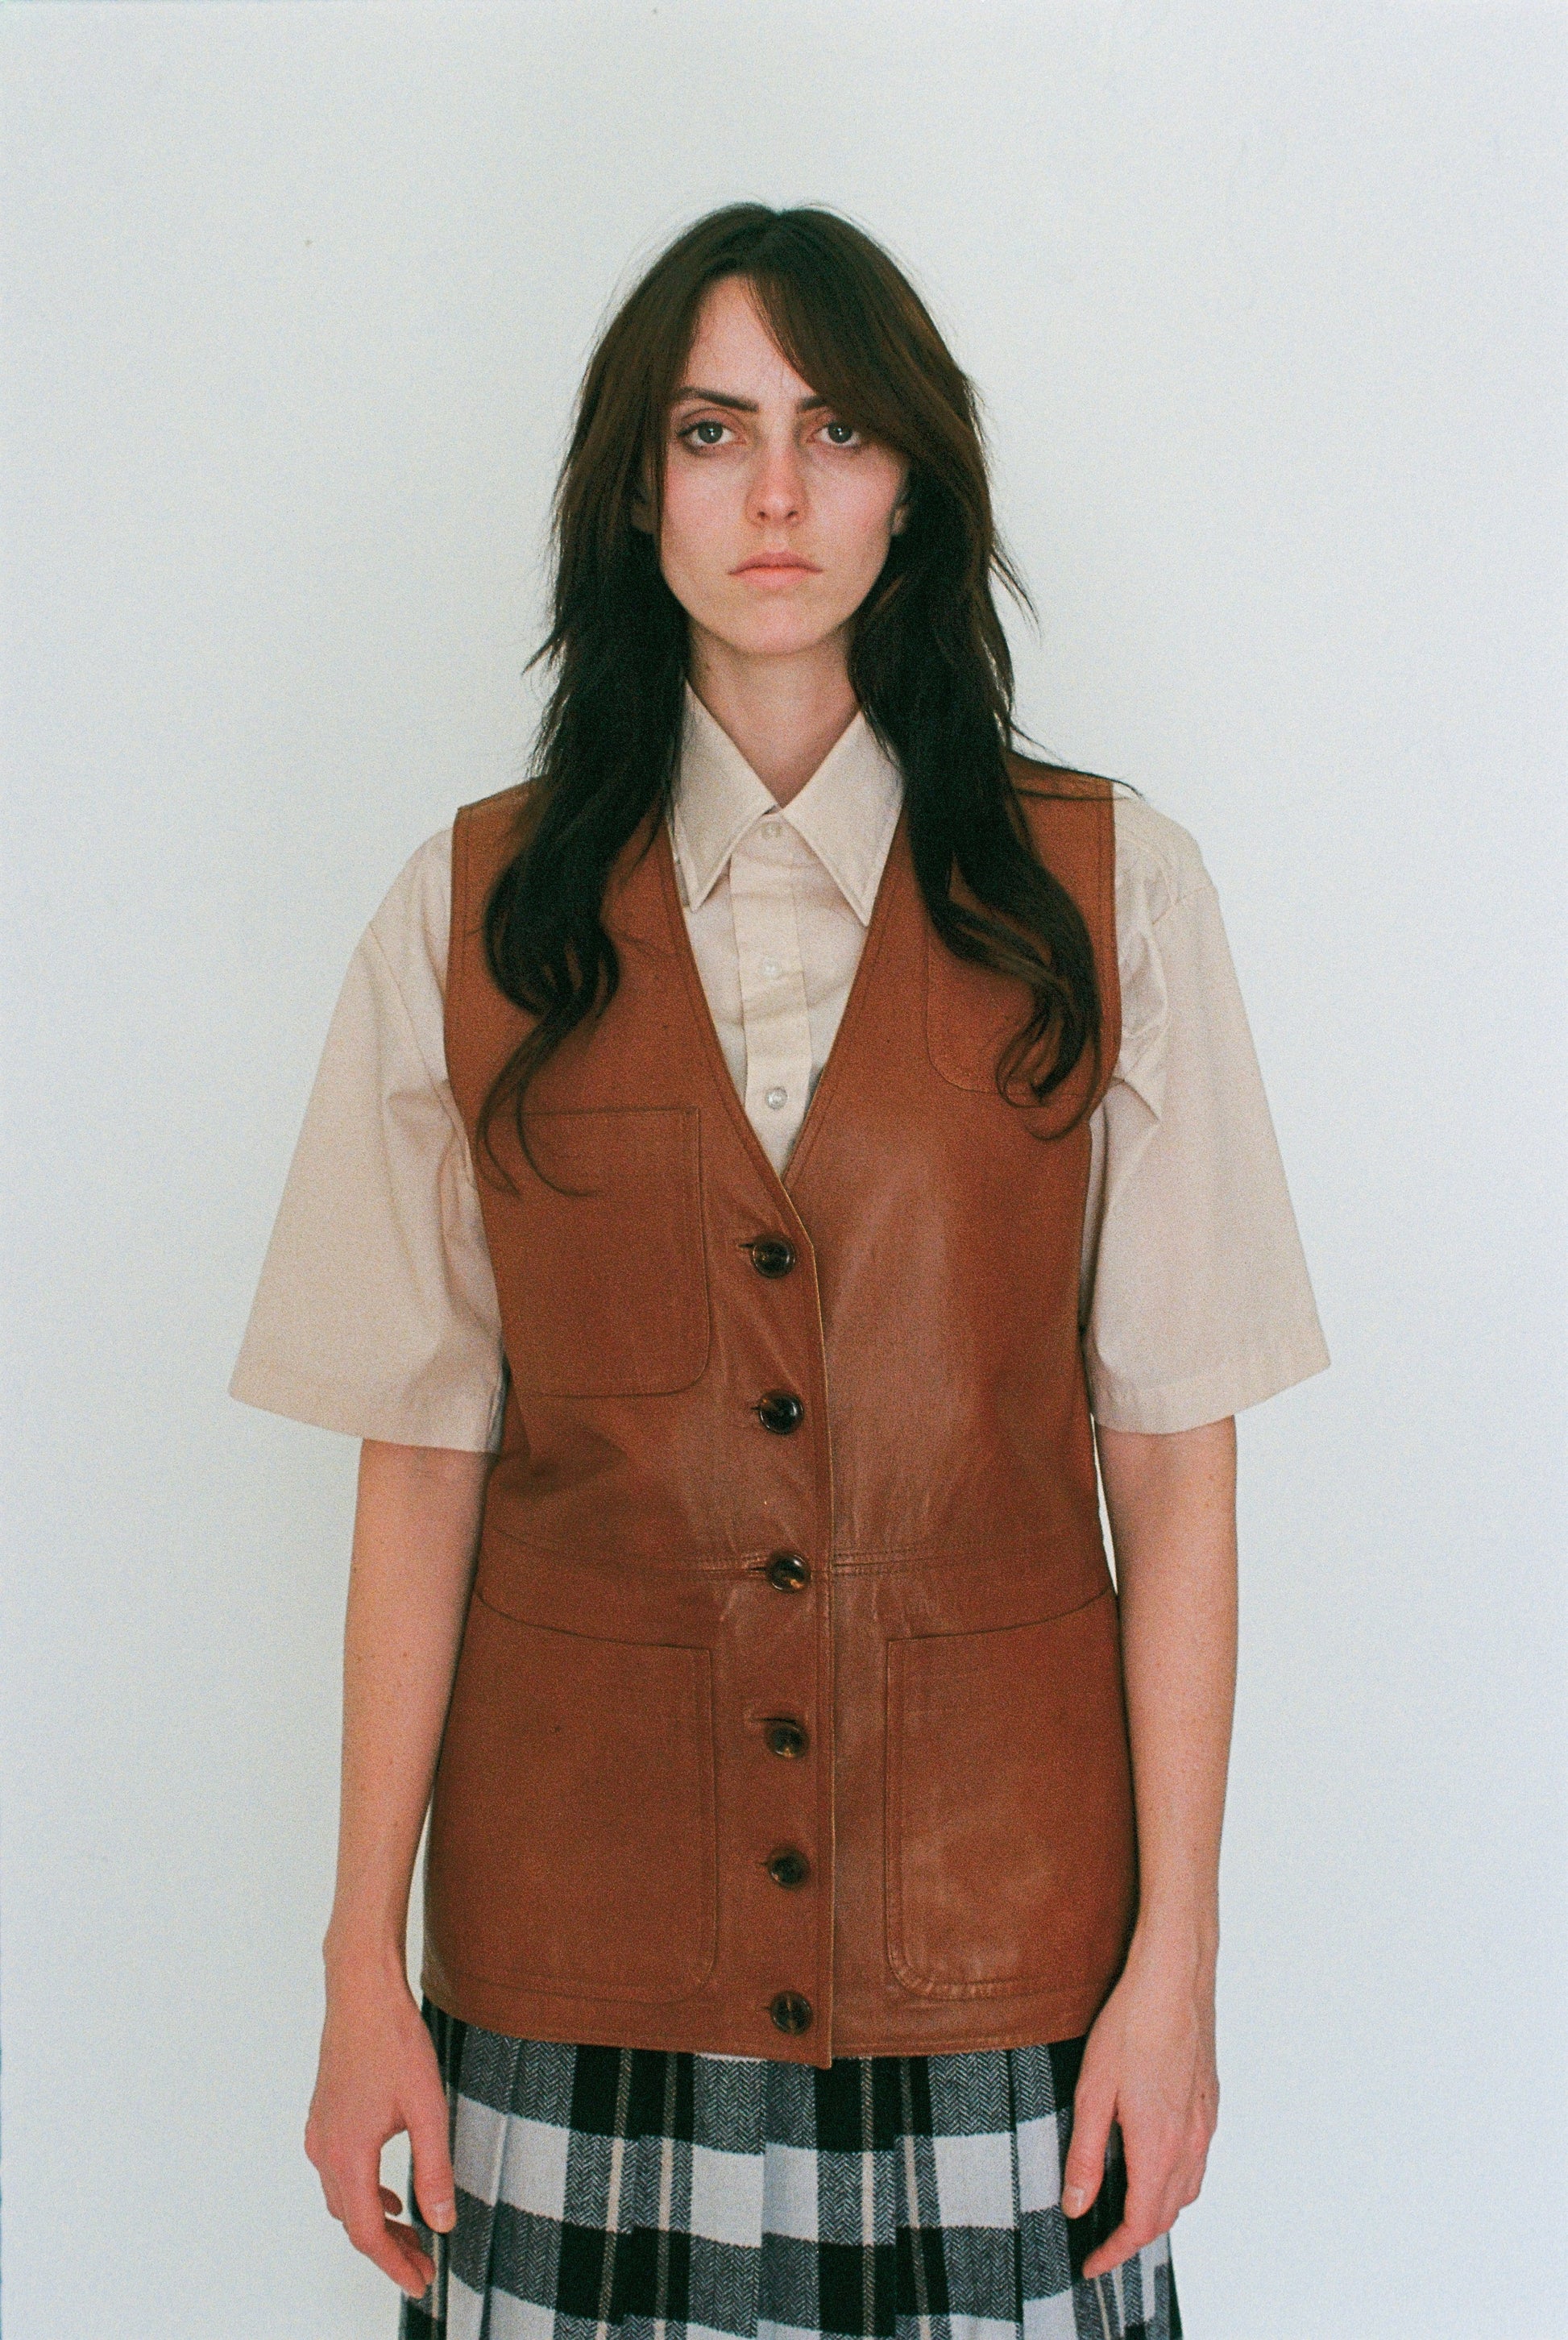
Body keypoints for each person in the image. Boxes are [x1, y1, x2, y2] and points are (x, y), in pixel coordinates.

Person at [231, 202, 1329, 2340]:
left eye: (832, 432)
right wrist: (364, 1956)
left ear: (912, 480)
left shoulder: (1108, 897)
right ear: (630, 489)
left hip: (995, 1946)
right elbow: (421, 1464)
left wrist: (1172, 1968)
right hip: (578, 1950)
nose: (769, 494)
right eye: (709, 430)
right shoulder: (471, 916)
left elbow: (1175, 1476)